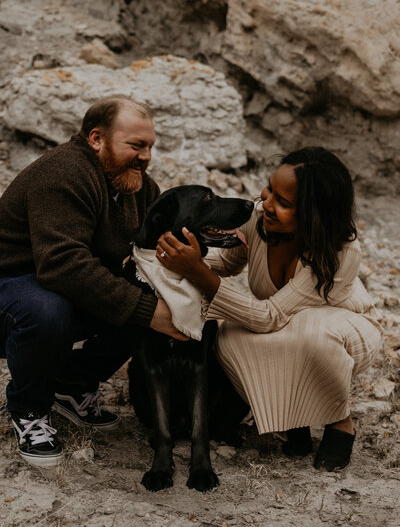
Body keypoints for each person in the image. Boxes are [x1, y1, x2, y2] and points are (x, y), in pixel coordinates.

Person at [156, 147, 383, 471]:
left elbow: (269, 316)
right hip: (287, 327)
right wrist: (180, 255)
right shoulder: (259, 220)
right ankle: (294, 418)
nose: (266, 203)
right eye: (270, 189)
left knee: (312, 332)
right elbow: (227, 262)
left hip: (345, 330)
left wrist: (196, 272)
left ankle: (339, 421)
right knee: (230, 339)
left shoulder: (340, 251)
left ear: (314, 215)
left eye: (284, 202)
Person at [0, 95, 187, 468]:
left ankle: (71, 385)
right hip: (13, 287)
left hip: (56, 285)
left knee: (148, 292)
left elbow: (159, 244)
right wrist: (150, 312)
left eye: (150, 146)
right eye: (136, 145)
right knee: (49, 310)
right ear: (96, 139)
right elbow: (63, 265)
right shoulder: (63, 173)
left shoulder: (136, 185)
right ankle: (29, 408)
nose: (146, 157)